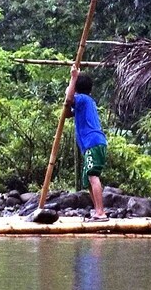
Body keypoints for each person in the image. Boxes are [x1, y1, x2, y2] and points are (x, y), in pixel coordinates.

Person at [65, 66, 108, 221]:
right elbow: (68, 112)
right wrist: (69, 90)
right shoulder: (85, 102)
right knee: (88, 180)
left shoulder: (82, 99)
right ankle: (97, 210)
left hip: (93, 142)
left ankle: (101, 212)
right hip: (94, 143)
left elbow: (70, 100)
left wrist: (73, 78)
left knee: (92, 176)